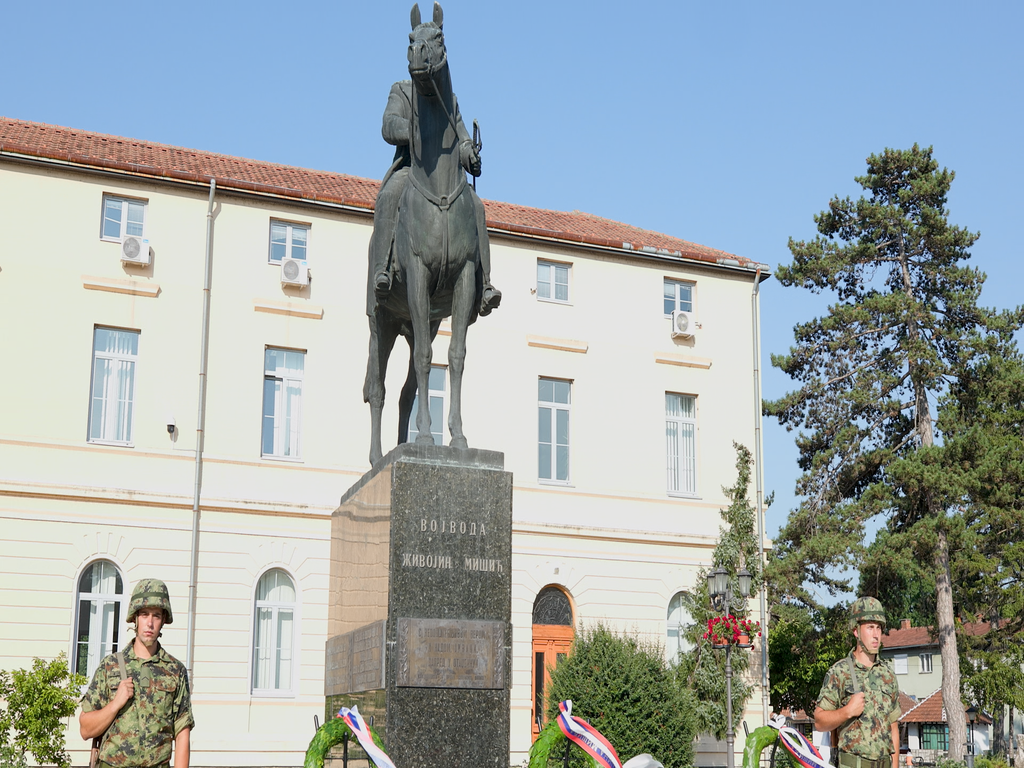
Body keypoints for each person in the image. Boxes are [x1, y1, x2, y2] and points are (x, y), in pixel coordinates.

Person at [367, 78, 501, 317]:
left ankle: (485, 285)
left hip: (447, 177)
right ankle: (383, 270)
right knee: (388, 195)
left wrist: (470, 155)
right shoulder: (402, 91)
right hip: (413, 169)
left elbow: (461, 139)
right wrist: (416, 128)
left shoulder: (448, 100)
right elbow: (388, 126)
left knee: (477, 206)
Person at [80, 578, 194, 768]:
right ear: (135, 618)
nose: (149, 623)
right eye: (144, 614)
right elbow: (85, 729)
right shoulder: (110, 666)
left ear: (163, 620)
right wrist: (116, 704)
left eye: (156, 615)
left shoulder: (175, 671)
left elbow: (182, 732)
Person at [814, 596, 900, 768]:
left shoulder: (887, 674)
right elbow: (819, 721)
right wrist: (847, 711)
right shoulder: (840, 672)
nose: (876, 635)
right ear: (856, 631)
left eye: (878, 628)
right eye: (870, 628)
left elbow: (893, 726)